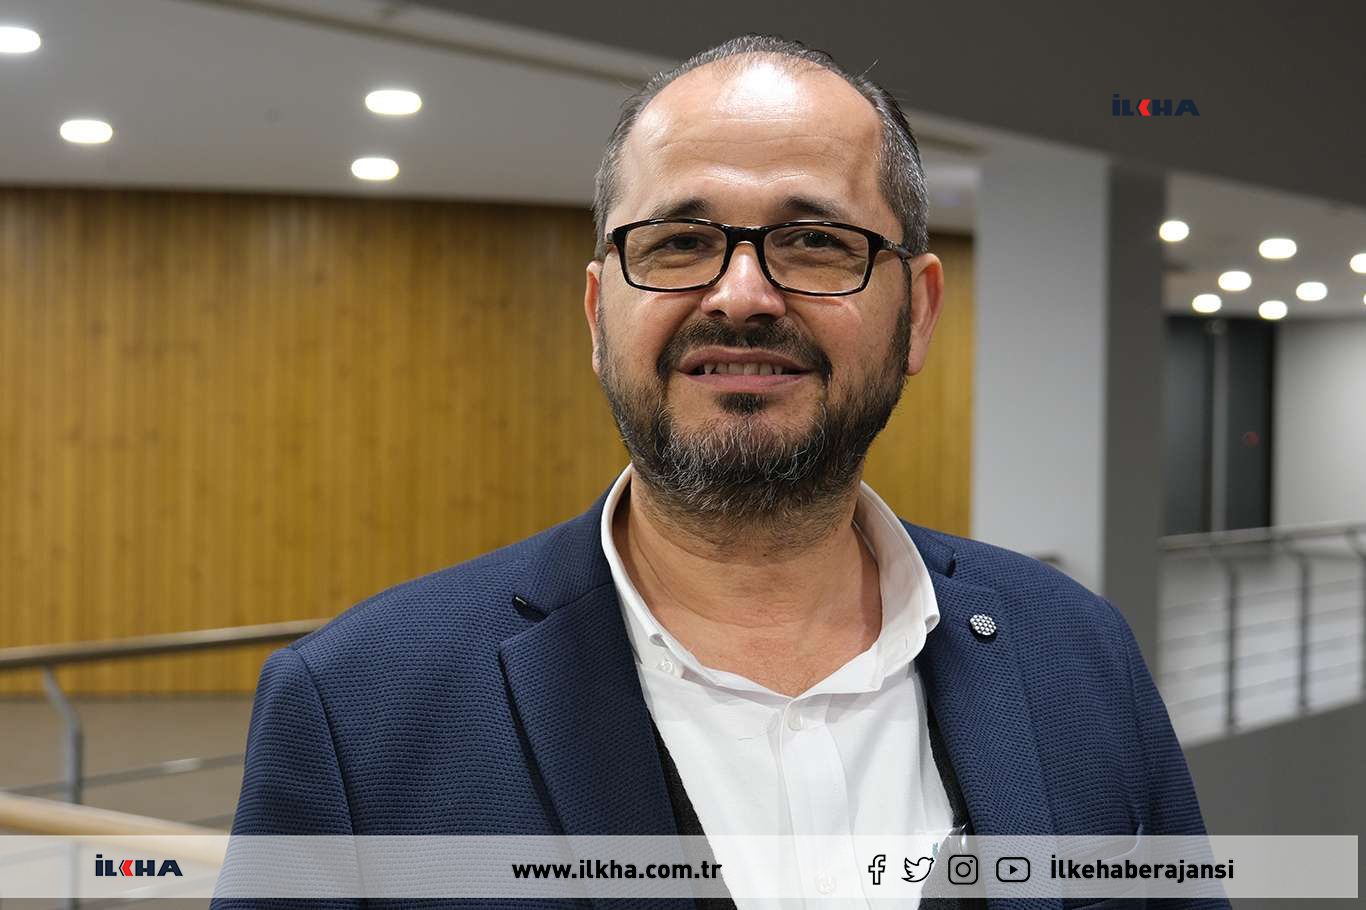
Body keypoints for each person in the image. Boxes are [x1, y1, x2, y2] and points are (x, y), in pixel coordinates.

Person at [219, 34, 1224, 909]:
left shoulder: (1080, 656)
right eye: (680, 242)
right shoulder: (357, 710)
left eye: (816, 241)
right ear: (598, 315)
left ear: (917, 312)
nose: (741, 295)